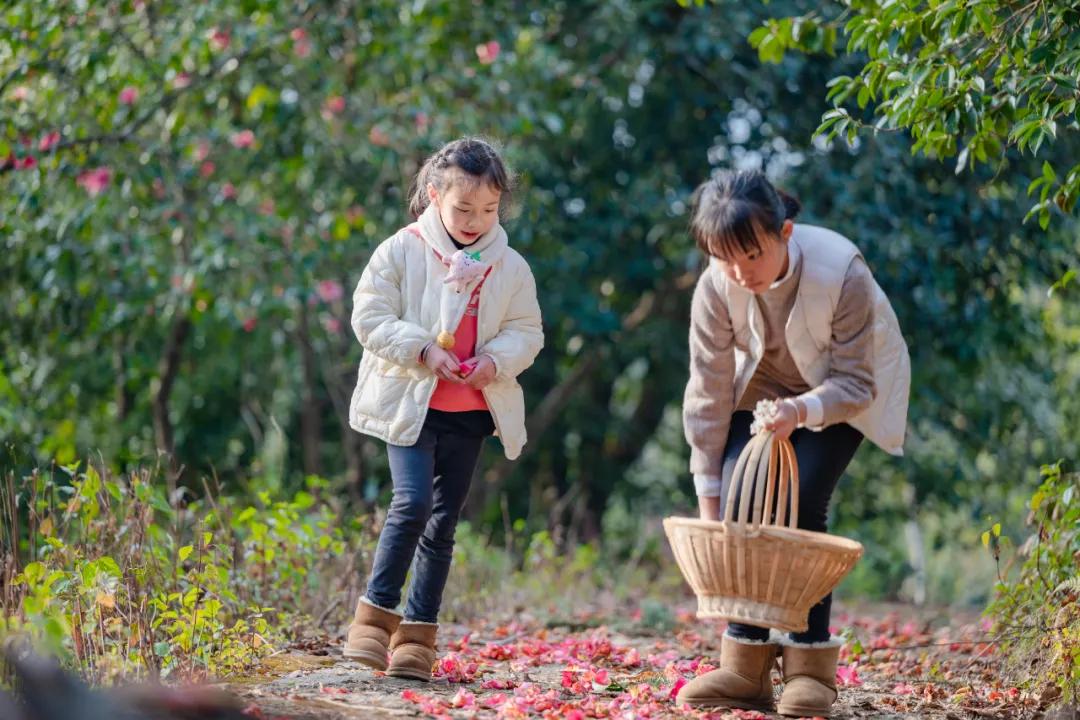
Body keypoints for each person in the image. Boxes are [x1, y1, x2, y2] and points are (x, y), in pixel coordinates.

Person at [678, 169, 910, 717]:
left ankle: (809, 666)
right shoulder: (716, 285)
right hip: (758, 391)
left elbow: (856, 383)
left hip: (841, 393)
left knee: (802, 497)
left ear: (784, 232)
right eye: (725, 258)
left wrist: (799, 412)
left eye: (752, 255)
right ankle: (745, 666)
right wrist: (712, 505)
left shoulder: (841, 269)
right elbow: (707, 393)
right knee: (744, 498)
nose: (740, 272)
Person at [342, 137, 543, 682]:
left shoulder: (510, 265)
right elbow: (370, 316)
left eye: (489, 210)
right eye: (463, 208)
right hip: (411, 403)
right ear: (434, 195)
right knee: (410, 504)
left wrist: (492, 363)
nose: (476, 220)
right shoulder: (401, 250)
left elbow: (527, 332)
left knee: (443, 522)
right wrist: (423, 348)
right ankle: (373, 622)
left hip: (470, 408)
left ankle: (418, 636)